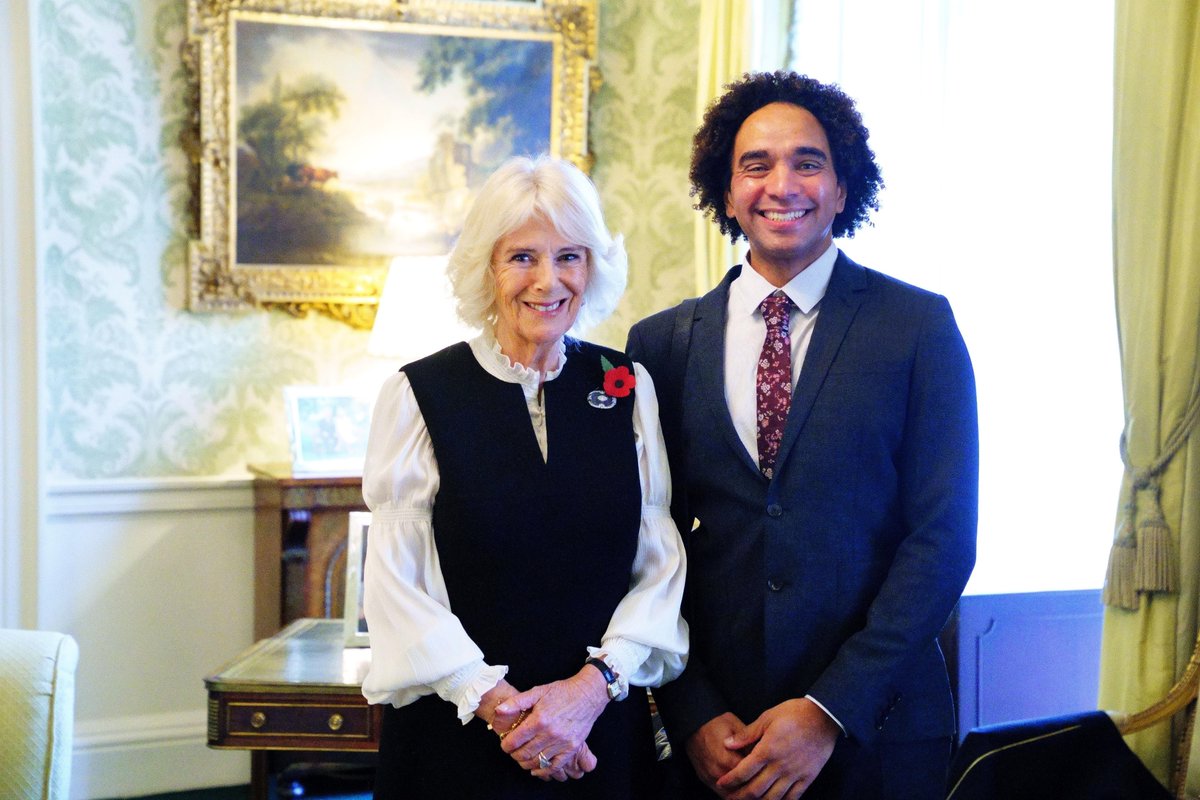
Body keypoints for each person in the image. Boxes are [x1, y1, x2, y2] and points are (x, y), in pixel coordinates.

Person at [626, 71, 979, 800]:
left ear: (844, 189)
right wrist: (690, 709)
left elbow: (943, 538)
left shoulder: (918, 328)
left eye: (807, 162)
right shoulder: (659, 344)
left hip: (877, 731)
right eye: (755, 164)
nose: (781, 183)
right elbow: (645, 538)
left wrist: (828, 711)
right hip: (717, 742)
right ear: (725, 193)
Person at [360, 154, 689, 800]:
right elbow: (398, 588)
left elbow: (659, 567)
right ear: (487, 267)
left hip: (598, 736)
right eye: (522, 258)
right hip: (458, 742)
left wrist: (589, 693)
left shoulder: (626, 387)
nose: (548, 280)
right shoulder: (418, 394)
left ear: (592, 267)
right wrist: (512, 716)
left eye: (569, 256)